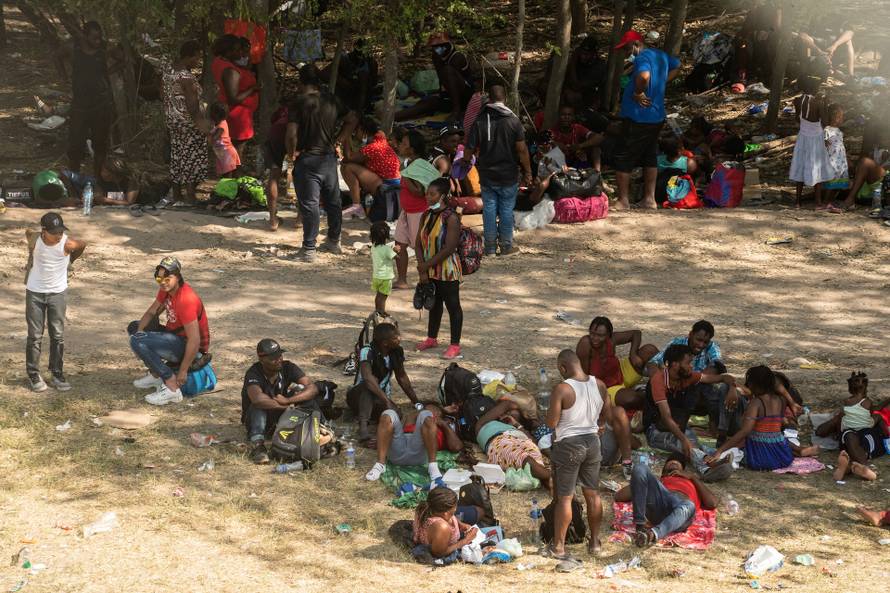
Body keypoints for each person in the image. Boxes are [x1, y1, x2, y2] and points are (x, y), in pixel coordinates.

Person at [542, 350, 611, 565]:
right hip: (592, 443)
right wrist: (597, 426)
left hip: (569, 445)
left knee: (565, 497)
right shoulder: (599, 384)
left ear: (563, 368)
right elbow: (606, 415)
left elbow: (552, 423)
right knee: (593, 494)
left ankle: (559, 546)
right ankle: (595, 542)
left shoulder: (562, 389)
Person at [643, 344, 736, 481]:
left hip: (679, 426)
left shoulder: (687, 376)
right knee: (683, 443)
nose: (691, 366)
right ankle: (706, 469)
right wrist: (684, 439)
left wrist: (732, 388)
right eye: (688, 363)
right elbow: (667, 418)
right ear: (674, 365)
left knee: (691, 443)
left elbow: (722, 378)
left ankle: (713, 457)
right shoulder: (658, 381)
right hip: (656, 430)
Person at [128, 257, 210, 406]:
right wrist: (140, 332)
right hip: (173, 337)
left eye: (168, 278)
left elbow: (195, 340)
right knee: (134, 329)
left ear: (177, 277)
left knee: (136, 340)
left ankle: (172, 386)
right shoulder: (165, 290)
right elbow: (151, 312)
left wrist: (183, 371)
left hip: (188, 346)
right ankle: (156, 374)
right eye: (159, 278)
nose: (163, 282)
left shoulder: (186, 299)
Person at [613, 30, 681, 210]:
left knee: (623, 156)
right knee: (649, 156)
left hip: (638, 117)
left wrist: (637, 92)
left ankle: (623, 200)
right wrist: (661, 83)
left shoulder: (642, 57)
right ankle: (649, 200)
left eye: (626, 48)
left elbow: (644, 76)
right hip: (656, 116)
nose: (626, 53)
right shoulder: (660, 55)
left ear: (635, 44)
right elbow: (677, 65)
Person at [285, 68, 348, 261]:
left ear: (301, 83)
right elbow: (352, 119)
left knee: (310, 204)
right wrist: (338, 140)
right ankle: (333, 240)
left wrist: (290, 155)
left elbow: (291, 133)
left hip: (308, 158)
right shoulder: (331, 99)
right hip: (328, 158)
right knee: (333, 201)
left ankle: (309, 249)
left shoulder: (299, 103)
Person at [704, 366, 819, 471]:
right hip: (781, 455)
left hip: (759, 456)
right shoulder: (781, 401)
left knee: (733, 452)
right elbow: (780, 388)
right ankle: (800, 451)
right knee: (778, 438)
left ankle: (719, 462)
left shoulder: (756, 403)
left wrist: (720, 451)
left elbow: (745, 431)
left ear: (754, 384)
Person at [464, 85, 532, 256]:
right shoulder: (513, 120)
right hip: (508, 174)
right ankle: (507, 247)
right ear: (505, 99)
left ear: (490, 100)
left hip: (487, 175)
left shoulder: (479, 121)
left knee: (489, 209)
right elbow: (522, 150)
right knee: (507, 210)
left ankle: (490, 248)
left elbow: (468, 149)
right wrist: (528, 171)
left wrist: (465, 162)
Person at [24, 213, 86, 392]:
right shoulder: (35, 239)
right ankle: (33, 374)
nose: (58, 235)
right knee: (35, 336)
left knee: (57, 335)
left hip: (57, 293)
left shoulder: (68, 244)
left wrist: (71, 260)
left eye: (60, 231)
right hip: (34, 292)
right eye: (54, 232)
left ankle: (57, 372)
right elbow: (28, 233)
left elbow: (83, 244)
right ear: (43, 231)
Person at [648, 320, 737, 440]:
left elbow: (719, 369)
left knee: (705, 381)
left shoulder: (711, 349)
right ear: (690, 334)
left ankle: (713, 426)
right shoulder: (677, 344)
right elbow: (653, 362)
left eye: (705, 342)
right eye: (698, 340)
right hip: (675, 388)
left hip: (695, 386)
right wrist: (660, 382)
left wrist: (732, 387)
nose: (701, 345)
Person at [240, 339, 322, 464]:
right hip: (260, 420)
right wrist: (288, 407)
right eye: (273, 357)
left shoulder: (288, 367)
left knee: (305, 396)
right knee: (259, 406)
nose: (279, 359)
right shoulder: (253, 373)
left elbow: (312, 387)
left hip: (282, 419)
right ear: (261, 359)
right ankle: (258, 446)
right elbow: (257, 399)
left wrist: (289, 400)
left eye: (280, 355)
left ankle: (320, 430)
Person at [614, 452, 718, 548]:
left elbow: (712, 503)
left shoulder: (691, 481)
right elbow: (619, 496)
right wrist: (643, 481)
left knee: (689, 505)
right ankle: (640, 527)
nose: (673, 463)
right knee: (640, 467)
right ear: (664, 469)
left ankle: (651, 534)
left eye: (677, 463)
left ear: (683, 470)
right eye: (670, 462)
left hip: (681, 512)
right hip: (659, 505)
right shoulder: (661, 481)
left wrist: (693, 478)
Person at [415, 178, 464, 360]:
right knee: (434, 305)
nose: (427, 196)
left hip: (447, 270)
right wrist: (422, 268)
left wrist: (425, 266)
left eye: (432, 194)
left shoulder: (451, 218)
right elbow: (418, 243)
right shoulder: (426, 215)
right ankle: (432, 338)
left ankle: (454, 344)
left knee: (453, 306)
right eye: (427, 193)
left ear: (442, 196)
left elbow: (449, 248)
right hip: (429, 268)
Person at [347, 323, 419, 441]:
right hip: (358, 396)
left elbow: (402, 378)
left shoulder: (396, 351)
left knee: (396, 414)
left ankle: (375, 431)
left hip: (378, 398)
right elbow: (367, 377)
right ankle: (363, 427)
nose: (399, 339)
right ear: (385, 343)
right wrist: (386, 401)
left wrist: (417, 403)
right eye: (395, 338)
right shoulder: (367, 350)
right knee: (370, 383)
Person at [365, 403, 463, 485]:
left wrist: (443, 424)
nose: (433, 414)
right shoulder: (415, 419)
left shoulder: (440, 429)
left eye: (435, 412)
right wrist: (441, 409)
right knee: (388, 413)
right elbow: (418, 414)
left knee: (426, 415)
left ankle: (432, 466)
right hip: (399, 450)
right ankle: (379, 465)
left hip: (419, 453)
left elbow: (457, 447)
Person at [816, 371, 887, 482]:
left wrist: (838, 434)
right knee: (877, 419)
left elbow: (839, 424)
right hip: (865, 432)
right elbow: (875, 410)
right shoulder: (868, 402)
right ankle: (864, 467)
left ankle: (848, 467)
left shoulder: (846, 402)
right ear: (866, 389)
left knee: (849, 436)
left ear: (850, 389)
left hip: (849, 437)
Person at [162, 39, 209, 205]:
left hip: (173, 121)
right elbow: (192, 105)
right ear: (190, 56)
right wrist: (201, 124)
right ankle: (190, 195)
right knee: (192, 157)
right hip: (188, 123)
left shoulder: (169, 71)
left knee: (177, 156)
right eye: (197, 57)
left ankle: (177, 194)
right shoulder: (186, 77)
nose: (198, 61)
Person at [67, 21, 116, 178]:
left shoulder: (103, 51)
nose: (98, 41)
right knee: (75, 145)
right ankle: (74, 179)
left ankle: (98, 180)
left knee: (100, 145)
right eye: (94, 38)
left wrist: (109, 73)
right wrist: (64, 78)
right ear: (85, 37)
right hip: (80, 105)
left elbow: (123, 58)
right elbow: (56, 56)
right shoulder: (74, 50)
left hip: (100, 105)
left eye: (99, 37)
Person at [395, 33, 475, 123]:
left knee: (448, 70)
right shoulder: (437, 57)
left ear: (449, 44)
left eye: (441, 46)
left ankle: (456, 111)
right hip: (448, 97)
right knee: (427, 103)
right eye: (435, 47)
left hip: (464, 98)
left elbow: (451, 81)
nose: (438, 49)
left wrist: (455, 107)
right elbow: (442, 80)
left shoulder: (457, 57)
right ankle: (393, 117)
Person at [474, 399, 551, 488]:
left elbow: (532, 441)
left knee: (535, 465)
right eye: (509, 412)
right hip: (499, 442)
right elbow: (509, 404)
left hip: (520, 439)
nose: (512, 414)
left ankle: (553, 483)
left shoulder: (513, 425)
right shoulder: (482, 424)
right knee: (525, 459)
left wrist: (517, 424)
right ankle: (558, 478)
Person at [341, 117, 401, 220]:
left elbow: (348, 158)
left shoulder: (373, 148)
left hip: (387, 186)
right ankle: (358, 199)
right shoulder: (380, 136)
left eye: (356, 131)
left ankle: (357, 207)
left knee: (348, 168)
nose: (355, 134)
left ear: (363, 131)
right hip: (391, 182)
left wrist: (346, 138)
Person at [393, 130, 430, 289]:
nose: (400, 145)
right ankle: (402, 280)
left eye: (404, 144)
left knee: (423, 248)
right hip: (407, 211)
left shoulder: (419, 165)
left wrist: (405, 174)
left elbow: (419, 191)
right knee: (399, 244)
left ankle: (428, 279)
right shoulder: (409, 164)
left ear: (412, 150)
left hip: (419, 212)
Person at [211, 34, 259, 157]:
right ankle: (234, 174)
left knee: (229, 150)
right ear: (228, 52)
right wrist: (252, 89)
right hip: (237, 116)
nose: (240, 53)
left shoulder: (219, 62)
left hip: (231, 112)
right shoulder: (230, 70)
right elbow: (233, 98)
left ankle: (231, 173)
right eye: (237, 50)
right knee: (236, 150)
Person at [789, 77, 833, 208]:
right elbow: (825, 122)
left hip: (802, 138)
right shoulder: (818, 103)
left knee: (801, 166)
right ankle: (818, 202)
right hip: (816, 139)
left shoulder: (797, 101)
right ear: (814, 89)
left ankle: (797, 202)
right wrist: (825, 105)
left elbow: (798, 118)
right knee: (817, 167)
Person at [412, 487, 479, 562]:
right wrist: (466, 540)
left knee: (477, 511)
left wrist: (460, 524)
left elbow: (451, 517)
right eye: (454, 509)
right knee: (479, 511)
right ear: (446, 513)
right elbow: (439, 553)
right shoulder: (442, 527)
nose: (456, 509)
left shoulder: (428, 508)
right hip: (442, 548)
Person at [818, 103, 849, 210]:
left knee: (837, 184)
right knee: (831, 183)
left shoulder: (839, 131)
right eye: (840, 117)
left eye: (842, 117)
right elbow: (823, 146)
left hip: (841, 163)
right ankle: (825, 202)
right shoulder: (827, 130)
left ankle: (830, 201)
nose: (842, 119)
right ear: (833, 117)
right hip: (832, 162)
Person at [369, 221, 398, 314]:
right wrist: (397, 250)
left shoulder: (373, 247)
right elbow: (396, 257)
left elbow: (384, 255)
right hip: (386, 277)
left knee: (378, 296)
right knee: (383, 296)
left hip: (376, 276)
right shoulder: (387, 249)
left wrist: (392, 250)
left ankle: (378, 310)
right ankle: (381, 311)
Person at [208, 102, 241, 177]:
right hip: (222, 153)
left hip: (227, 153)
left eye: (211, 112)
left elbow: (215, 138)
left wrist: (208, 138)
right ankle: (227, 187)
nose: (210, 114)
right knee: (224, 175)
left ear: (216, 114)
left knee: (227, 176)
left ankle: (230, 188)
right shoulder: (217, 124)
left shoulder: (221, 125)